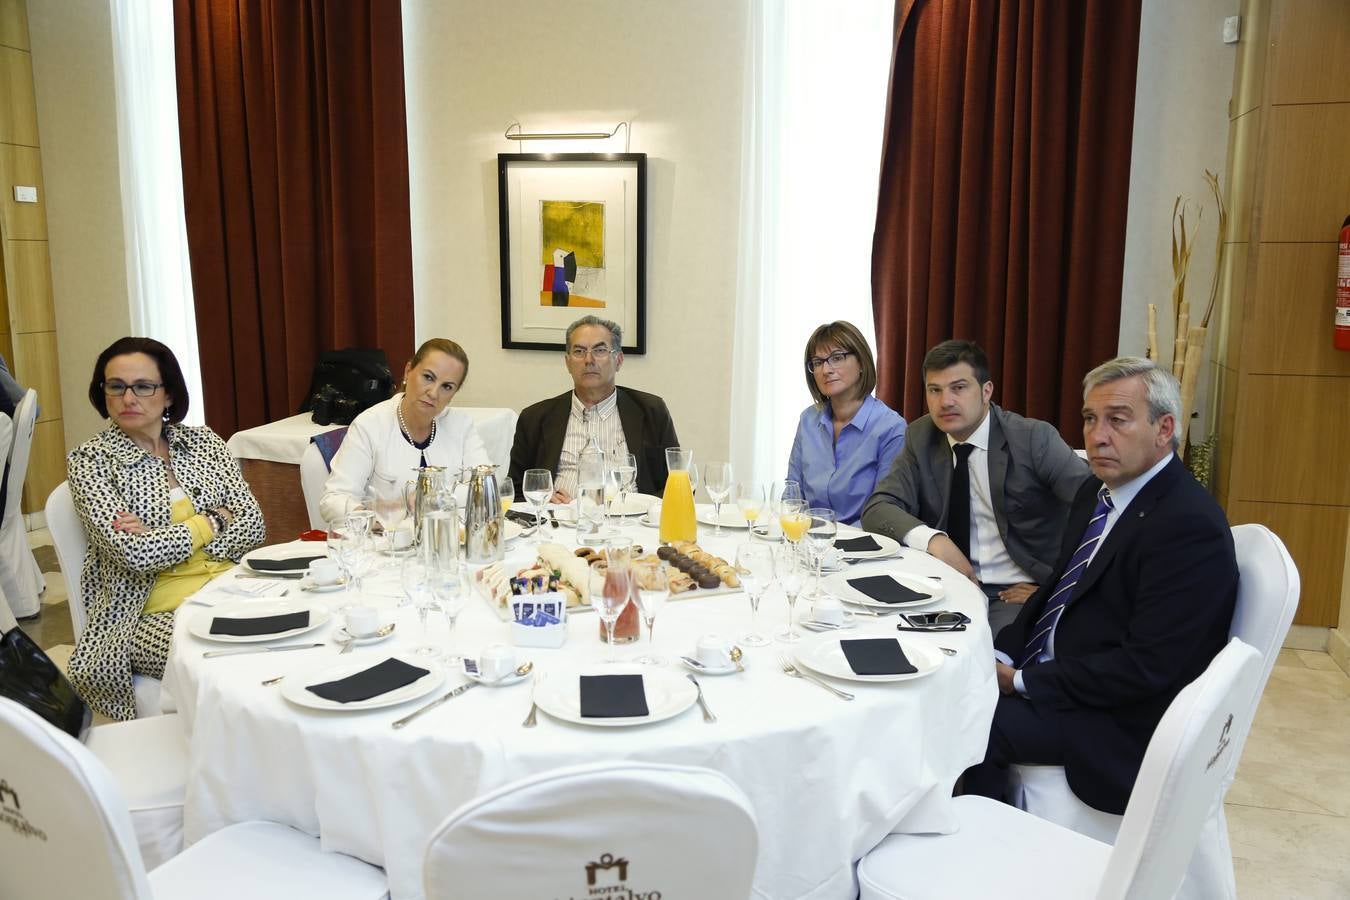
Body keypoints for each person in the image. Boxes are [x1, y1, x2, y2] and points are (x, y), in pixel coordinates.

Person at [963, 357, 1237, 814]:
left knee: (968, 721)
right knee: (951, 689)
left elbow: (1147, 668)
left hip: (1114, 719)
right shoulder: (1099, 492)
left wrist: (1024, 680)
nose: (1097, 435)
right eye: (1090, 419)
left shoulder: (1187, 526)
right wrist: (1002, 655)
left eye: (1118, 420)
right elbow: (1054, 593)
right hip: (1069, 677)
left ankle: (979, 854)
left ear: (1164, 428)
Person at [66, 337, 265, 721]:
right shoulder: (91, 461)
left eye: (143, 386)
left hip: (232, 587)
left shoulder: (203, 442)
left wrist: (163, 538)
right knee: (232, 661)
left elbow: (254, 524)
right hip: (145, 615)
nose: (128, 398)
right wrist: (213, 518)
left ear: (169, 394)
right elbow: (135, 555)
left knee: (302, 633)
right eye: (116, 386)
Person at [861, 340, 1089, 634]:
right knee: (881, 635)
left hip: (1013, 593)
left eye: (959, 388)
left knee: (979, 653)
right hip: (943, 582)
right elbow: (879, 508)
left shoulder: (1033, 439)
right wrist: (935, 541)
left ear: (986, 391)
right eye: (935, 390)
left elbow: (1099, 511)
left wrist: (1058, 592)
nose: (945, 402)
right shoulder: (921, 436)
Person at [508, 315, 679, 502]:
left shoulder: (651, 411)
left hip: (630, 523)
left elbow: (679, 486)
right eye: (579, 351)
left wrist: (637, 505)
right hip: (560, 523)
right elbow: (514, 492)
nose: (588, 359)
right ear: (567, 363)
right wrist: (543, 499)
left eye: (599, 350)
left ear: (619, 360)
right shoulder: (534, 418)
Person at [321, 338, 490, 525]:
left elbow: (485, 490)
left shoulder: (461, 425)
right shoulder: (370, 425)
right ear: (408, 371)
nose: (433, 393)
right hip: (387, 543)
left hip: (448, 543)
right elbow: (333, 501)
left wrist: (429, 497)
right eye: (428, 377)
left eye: (447, 387)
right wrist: (373, 519)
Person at [786, 321, 906, 525]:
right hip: (807, 540)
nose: (826, 369)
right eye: (817, 362)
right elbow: (792, 497)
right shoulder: (808, 420)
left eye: (837, 358)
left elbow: (885, 510)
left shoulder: (891, 428)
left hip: (863, 544)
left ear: (861, 362)